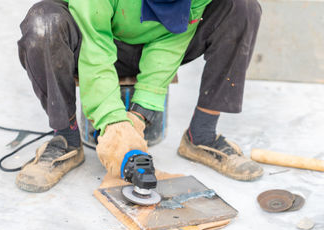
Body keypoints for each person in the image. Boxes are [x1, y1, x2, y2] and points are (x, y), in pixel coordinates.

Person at [16, 0, 264, 192]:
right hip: (90, 38)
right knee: (44, 23)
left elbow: (172, 36)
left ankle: (201, 134)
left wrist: (142, 111)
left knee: (241, 7)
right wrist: (112, 122)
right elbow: (95, 46)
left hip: (151, 43)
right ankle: (66, 139)